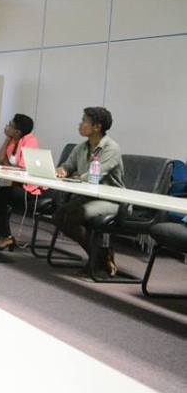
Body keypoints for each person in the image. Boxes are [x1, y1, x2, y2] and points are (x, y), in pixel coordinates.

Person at [52, 107, 124, 276]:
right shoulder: (81, 147)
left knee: (73, 216)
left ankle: (97, 260)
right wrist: (63, 170)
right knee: (58, 216)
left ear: (97, 127)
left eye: (84, 121)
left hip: (111, 199)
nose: (80, 124)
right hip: (88, 197)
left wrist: (77, 176)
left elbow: (95, 174)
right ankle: (101, 255)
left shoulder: (111, 148)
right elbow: (68, 165)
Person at [0, 114, 43, 250]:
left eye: (10, 125)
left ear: (18, 132)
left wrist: (7, 164)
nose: (6, 126)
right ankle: (4, 236)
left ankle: (5, 236)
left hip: (31, 190)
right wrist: (7, 139)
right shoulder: (13, 141)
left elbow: (23, 169)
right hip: (17, 187)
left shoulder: (29, 141)